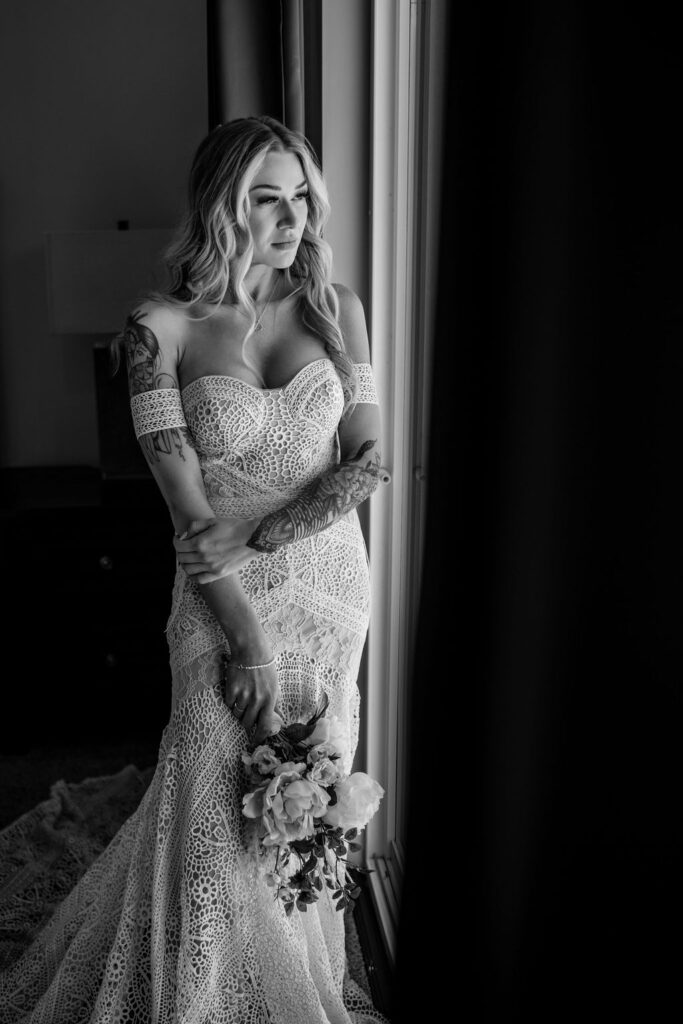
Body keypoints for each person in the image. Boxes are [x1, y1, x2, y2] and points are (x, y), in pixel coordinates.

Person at [0, 116, 388, 1023]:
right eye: (265, 197)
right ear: (222, 205)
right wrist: (243, 634)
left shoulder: (339, 310)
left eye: (300, 196)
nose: (290, 217)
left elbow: (367, 460)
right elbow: (188, 514)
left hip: (329, 589)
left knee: (309, 802)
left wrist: (264, 536)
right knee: (215, 793)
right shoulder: (156, 329)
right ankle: (204, 993)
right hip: (218, 601)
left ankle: (301, 974)